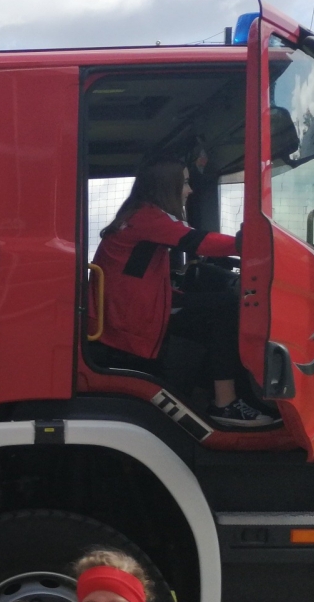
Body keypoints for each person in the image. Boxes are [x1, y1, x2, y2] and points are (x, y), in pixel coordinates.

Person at [91, 159, 276, 428]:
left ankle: (211, 391)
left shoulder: (134, 215)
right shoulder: (149, 218)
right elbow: (196, 241)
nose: (190, 190)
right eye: (186, 183)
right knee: (227, 309)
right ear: (167, 186)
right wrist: (249, 244)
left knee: (213, 307)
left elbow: (135, 274)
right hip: (137, 316)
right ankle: (224, 404)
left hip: (126, 310)